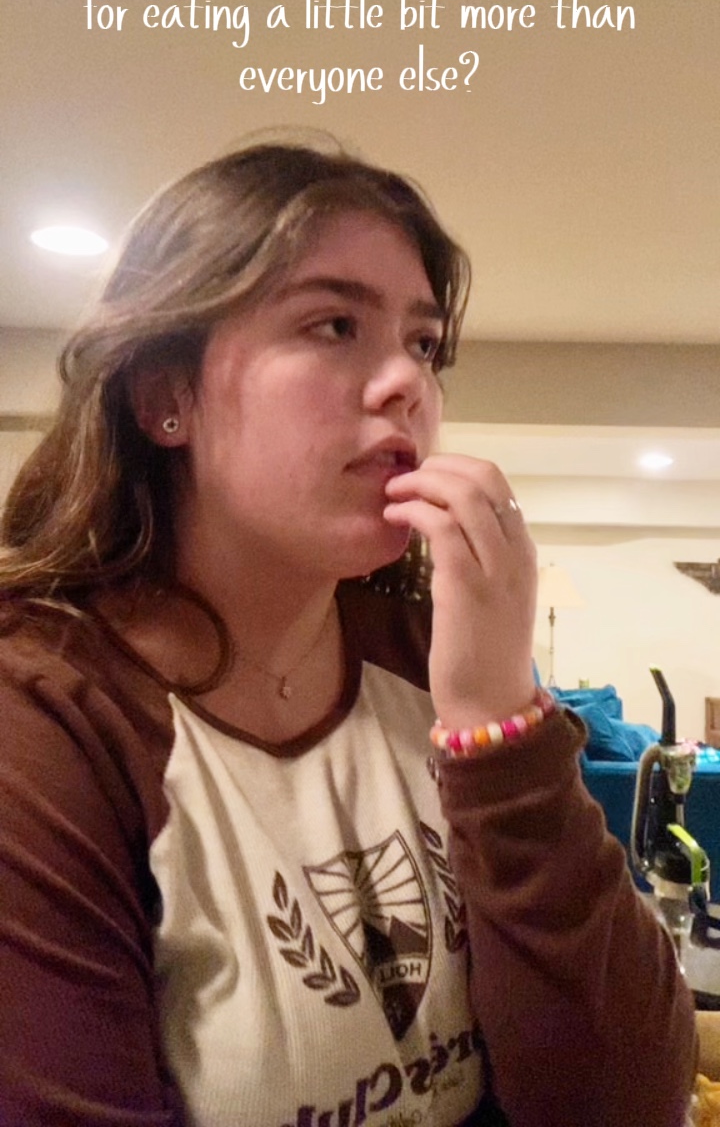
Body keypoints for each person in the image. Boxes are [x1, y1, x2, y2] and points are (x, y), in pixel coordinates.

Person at [0, 140, 696, 1127]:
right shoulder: (43, 724)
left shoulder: (422, 657)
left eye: (425, 344)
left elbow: (628, 1099)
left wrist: (500, 719)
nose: (405, 381)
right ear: (164, 397)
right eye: (333, 325)